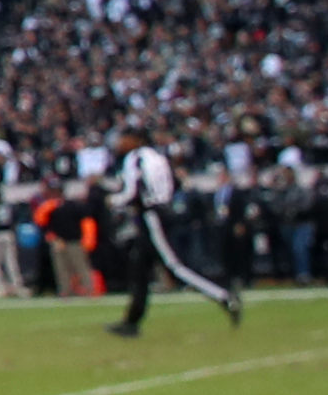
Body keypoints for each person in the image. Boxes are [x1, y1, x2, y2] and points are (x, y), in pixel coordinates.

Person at [101, 133, 241, 338]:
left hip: (150, 216)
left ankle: (224, 296)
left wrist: (114, 200)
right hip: (161, 213)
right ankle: (131, 321)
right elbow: (172, 184)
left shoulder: (135, 158)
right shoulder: (158, 157)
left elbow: (133, 192)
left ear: (135, 140)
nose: (119, 143)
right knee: (139, 269)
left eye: (124, 139)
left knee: (174, 266)